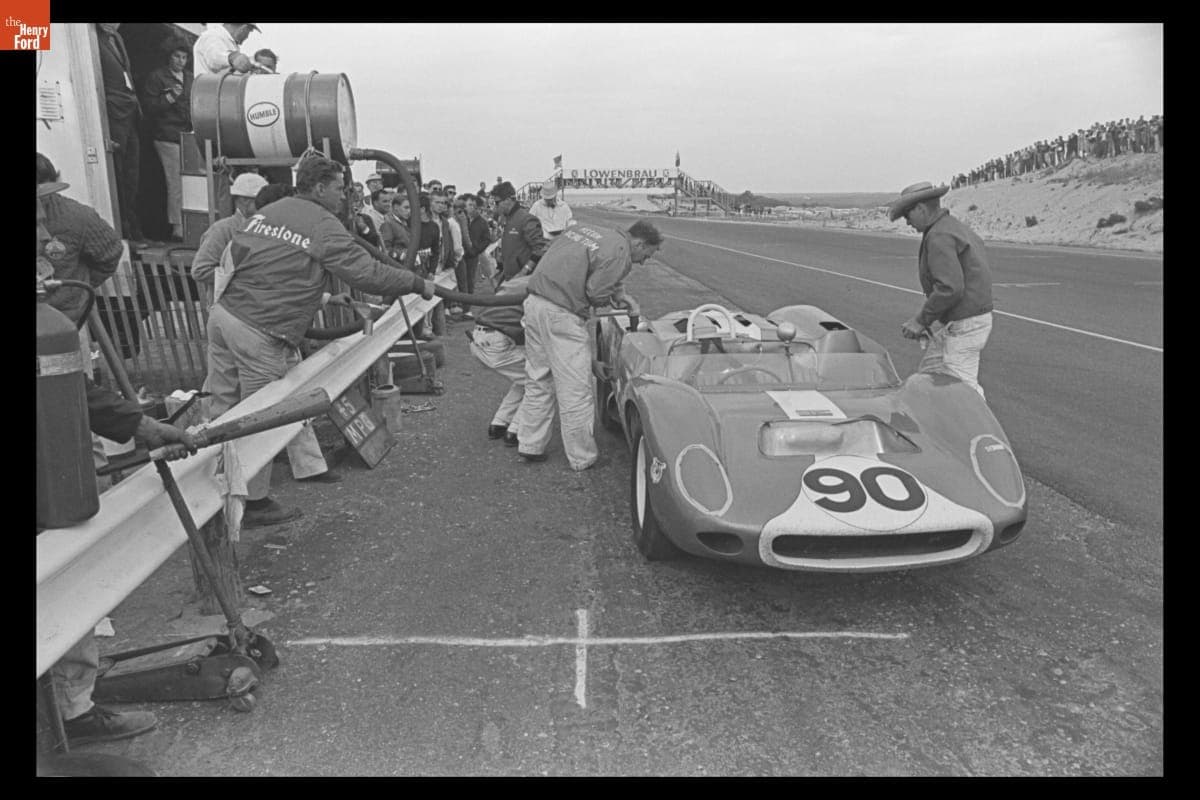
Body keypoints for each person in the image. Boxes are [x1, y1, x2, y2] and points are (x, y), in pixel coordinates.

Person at [39, 177, 198, 747]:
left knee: (68, 564)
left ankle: (70, 706)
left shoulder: (49, 324)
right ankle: (71, 715)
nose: (45, 240)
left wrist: (140, 425)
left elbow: (70, 390)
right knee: (69, 570)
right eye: (35, 222)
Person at [204, 155, 436, 526]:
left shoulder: (271, 211)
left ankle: (212, 492)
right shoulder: (322, 223)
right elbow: (365, 272)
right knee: (260, 418)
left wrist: (323, 297)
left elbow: (263, 265)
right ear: (319, 188)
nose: (345, 196)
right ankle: (253, 503)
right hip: (260, 330)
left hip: (225, 316)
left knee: (224, 412)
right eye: (340, 188)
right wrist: (415, 283)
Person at [517, 220, 662, 469]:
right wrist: (610, 299)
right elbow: (595, 293)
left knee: (539, 379)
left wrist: (617, 293)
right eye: (645, 255)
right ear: (638, 243)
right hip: (562, 314)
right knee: (576, 389)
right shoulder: (621, 252)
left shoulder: (586, 231)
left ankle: (530, 444)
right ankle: (581, 457)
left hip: (534, 304)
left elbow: (588, 264)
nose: (642, 262)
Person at [888, 182, 994, 399]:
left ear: (921, 209)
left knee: (961, 390)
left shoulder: (939, 236)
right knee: (931, 372)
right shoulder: (952, 227)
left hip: (966, 324)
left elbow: (950, 288)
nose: (907, 222)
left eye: (907, 215)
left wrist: (921, 320)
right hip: (967, 320)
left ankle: (977, 429)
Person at [141, 36, 194, 242]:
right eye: (176, 56)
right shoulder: (158, 77)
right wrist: (170, 98)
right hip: (166, 136)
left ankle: (189, 223)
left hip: (188, 136)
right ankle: (178, 228)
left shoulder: (190, 78)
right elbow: (149, 107)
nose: (180, 61)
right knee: (175, 182)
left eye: (184, 57)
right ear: (169, 57)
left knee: (188, 182)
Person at [468, 274, 531, 446]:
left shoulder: (517, 279)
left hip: (480, 335)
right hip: (497, 341)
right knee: (541, 380)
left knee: (525, 377)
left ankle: (499, 423)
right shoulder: (540, 286)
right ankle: (516, 430)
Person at [191, 172, 269, 308]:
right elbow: (200, 270)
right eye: (262, 200)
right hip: (229, 309)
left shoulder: (265, 228)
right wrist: (245, 277)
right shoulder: (222, 230)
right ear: (244, 201)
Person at [95, 23, 142, 242]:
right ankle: (123, 228)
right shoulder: (93, 37)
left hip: (129, 110)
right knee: (118, 171)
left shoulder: (117, 38)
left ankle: (132, 226)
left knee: (132, 172)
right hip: (114, 113)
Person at [490, 181, 548, 284]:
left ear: (508, 200)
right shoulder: (505, 219)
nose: (495, 206)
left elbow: (540, 248)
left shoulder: (526, 219)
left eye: (497, 202)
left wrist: (524, 271)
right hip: (509, 276)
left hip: (522, 281)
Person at [193, 23, 261, 75]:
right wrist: (232, 57)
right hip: (208, 91)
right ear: (244, 27)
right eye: (249, 31)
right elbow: (214, 57)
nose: (247, 36)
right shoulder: (212, 36)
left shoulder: (228, 42)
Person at [461, 193, 493, 301]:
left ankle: (467, 304)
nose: (470, 208)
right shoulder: (462, 219)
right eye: (468, 205)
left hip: (472, 256)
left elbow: (487, 239)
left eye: (472, 205)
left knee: (470, 280)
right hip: (460, 255)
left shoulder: (482, 222)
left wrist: (475, 250)